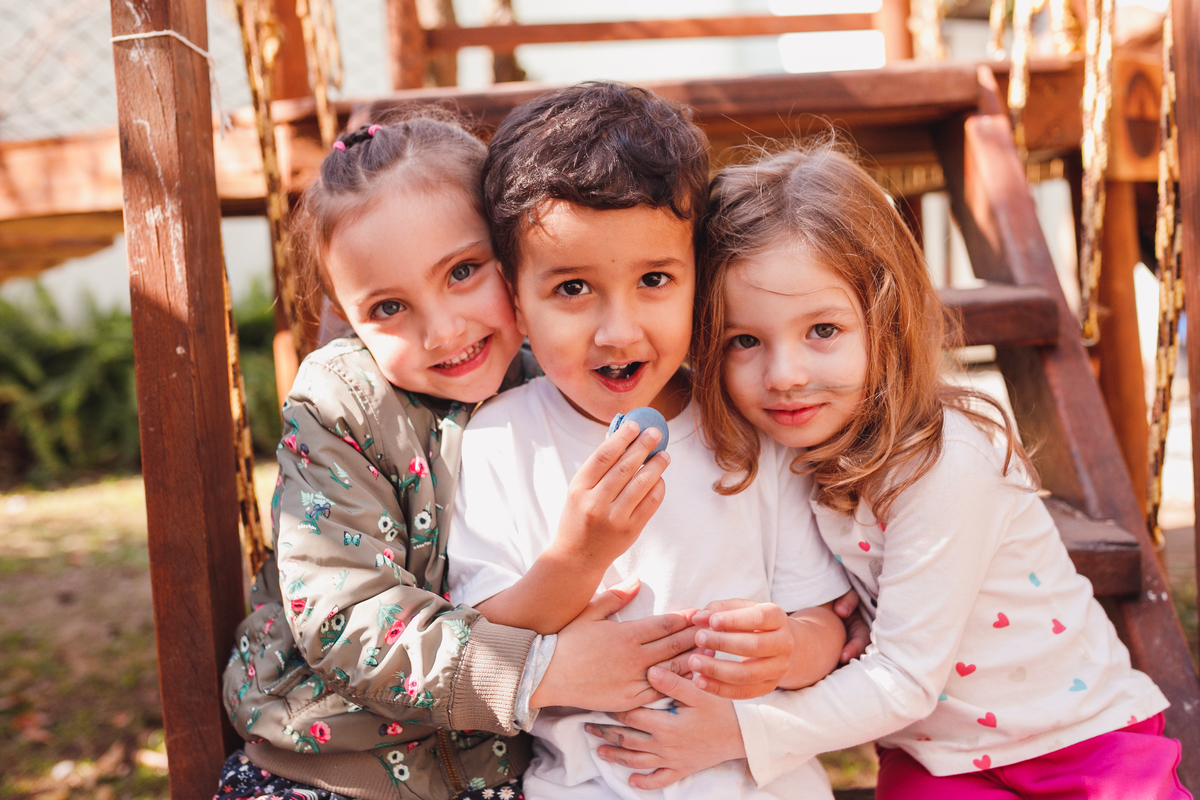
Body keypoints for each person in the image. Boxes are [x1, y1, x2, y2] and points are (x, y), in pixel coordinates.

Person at [671, 141, 1186, 798]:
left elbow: (904, 678)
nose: (785, 376)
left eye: (823, 330)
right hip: (938, 755)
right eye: (744, 340)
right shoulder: (779, 448)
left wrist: (739, 731)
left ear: (885, 319)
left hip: (1080, 740)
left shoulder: (942, 466)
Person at [217, 113, 703, 800]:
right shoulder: (342, 408)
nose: (442, 329)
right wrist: (544, 671)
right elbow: (349, 622)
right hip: (331, 775)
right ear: (346, 316)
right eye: (388, 307)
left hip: (500, 777)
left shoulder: (559, 380)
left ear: (514, 256)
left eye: (464, 272)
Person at [446, 82, 852, 800]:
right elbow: (484, 646)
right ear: (515, 299)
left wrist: (787, 651)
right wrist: (579, 557)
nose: (619, 331)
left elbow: (823, 620)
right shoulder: (499, 441)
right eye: (572, 289)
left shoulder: (750, 428)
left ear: (699, 276)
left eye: (655, 279)